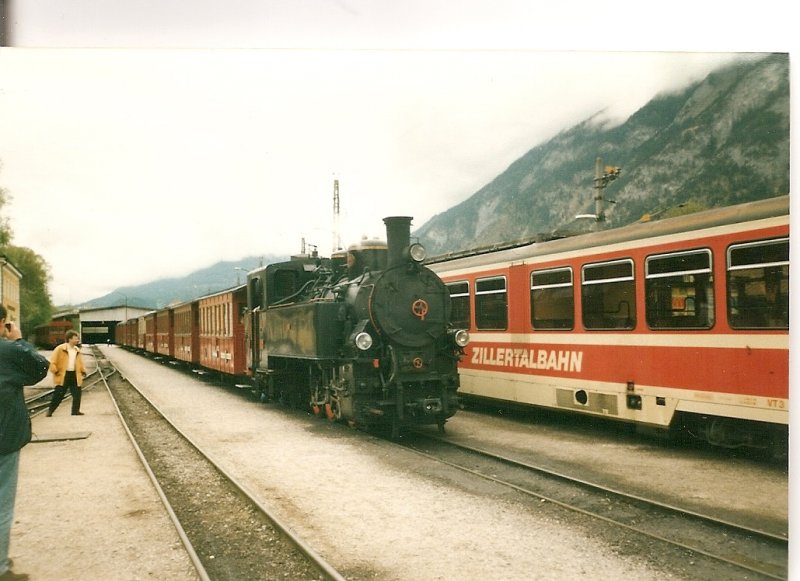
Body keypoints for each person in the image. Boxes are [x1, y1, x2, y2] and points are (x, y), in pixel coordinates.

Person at [0, 306, 49, 581]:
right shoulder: (8, 352)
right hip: (3, 438)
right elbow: (39, 368)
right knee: (1, 504)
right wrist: (18, 340)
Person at [46, 330, 87, 417]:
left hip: (74, 374)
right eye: (76, 338)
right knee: (58, 394)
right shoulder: (60, 349)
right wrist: (55, 371)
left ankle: (75, 411)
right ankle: (50, 411)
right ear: (69, 339)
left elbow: (79, 362)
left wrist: (83, 371)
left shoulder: (77, 350)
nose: (77, 340)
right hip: (63, 375)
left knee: (77, 394)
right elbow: (52, 362)